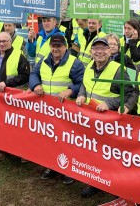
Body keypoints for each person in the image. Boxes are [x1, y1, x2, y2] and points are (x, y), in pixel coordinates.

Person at [76, 38, 134, 197]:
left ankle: (116, 185)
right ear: (91, 52)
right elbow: (84, 85)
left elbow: (130, 94)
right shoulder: (88, 66)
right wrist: (81, 95)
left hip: (109, 122)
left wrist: (109, 103)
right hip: (91, 120)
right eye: (95, 48)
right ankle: (96, 181)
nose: (99, 51)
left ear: (110, 51)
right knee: (94, 152)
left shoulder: (118, 69)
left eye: (103, 48)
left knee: (111, 155)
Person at [30, 34, 84, 184]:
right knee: (51, 140)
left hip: (67, 112)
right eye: (53, 46)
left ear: (65, 47)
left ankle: (69, 170)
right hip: (48, 110)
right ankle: (52, 165)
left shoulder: (75, 63)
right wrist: (36, 85)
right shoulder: (44, 60)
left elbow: (82, 83)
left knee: (68, 141)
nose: (55, 49)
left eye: (58, 46)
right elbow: (34, 73)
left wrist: (70, 90)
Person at [0, 32, 30, 160]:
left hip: (13, 98)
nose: (2, 44)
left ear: (10, 42)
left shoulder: (19, 56)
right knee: (1, 124)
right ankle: (3, 149)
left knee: (17, 126)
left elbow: (25, 76)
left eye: (4, 41)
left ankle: (21, 152)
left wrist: (8, 83)